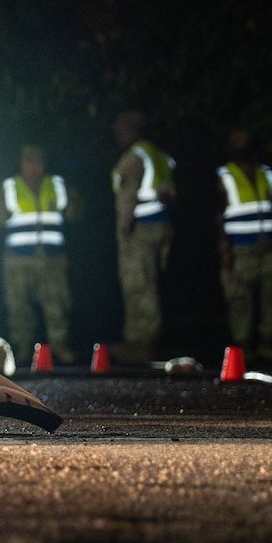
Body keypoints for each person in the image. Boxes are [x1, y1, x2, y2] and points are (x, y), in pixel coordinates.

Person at [0, 145, 76, 364]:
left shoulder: (57, 185)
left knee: (57, 304)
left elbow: (76, 211)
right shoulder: (9, 187)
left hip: (51, 257)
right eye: (29, 162)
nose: (33, 167)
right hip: (18, 258)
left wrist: (72, 207)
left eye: (38, 162)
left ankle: (60, 347)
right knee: (18, 306)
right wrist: (1, 212)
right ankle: (22, 350)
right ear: (22, 164)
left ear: (43, 164)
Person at [109, 109, 175, 362]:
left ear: (131, 131)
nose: (117, 136)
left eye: (120, 130)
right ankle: (146, 340)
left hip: (140, 230)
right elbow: (170, 195)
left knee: (138, 285)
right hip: (160, 228)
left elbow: (126, 200)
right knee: (150, 283)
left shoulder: (135, 157)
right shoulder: (159, 156)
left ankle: (140, 342)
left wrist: (123, 235)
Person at [214, 129, 272, 364]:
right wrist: (225, 251)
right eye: (236, 140)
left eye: (246, 140)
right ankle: (243, 348)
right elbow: (218, 216)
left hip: (268, 246)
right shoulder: (224, 176)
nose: (242, 145)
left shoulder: (267, 174)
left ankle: (269, 345)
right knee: (240, 299)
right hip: (239, 248)